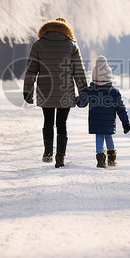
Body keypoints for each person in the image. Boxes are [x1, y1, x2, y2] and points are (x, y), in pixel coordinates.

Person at [23, 17, 88, 168]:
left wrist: (27, 90)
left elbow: (31, 70)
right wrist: (83, 92)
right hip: (65, 90)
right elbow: (78, 71)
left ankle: (47, 152)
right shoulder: (71, 45)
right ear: (66, 30)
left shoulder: (38, 44)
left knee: (48, 121)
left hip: (45, 90)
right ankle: (60, 157)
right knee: (61, 124)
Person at [76, 55, 130, 168]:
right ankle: (111, 159)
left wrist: (76, 98)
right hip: (109, 122)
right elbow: (121, 109)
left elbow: (81, 104)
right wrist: (126, 122)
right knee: (108, 136)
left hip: (96, 122)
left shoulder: (90, 91)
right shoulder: (114, 92)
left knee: (99, 138)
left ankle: (100, 160)